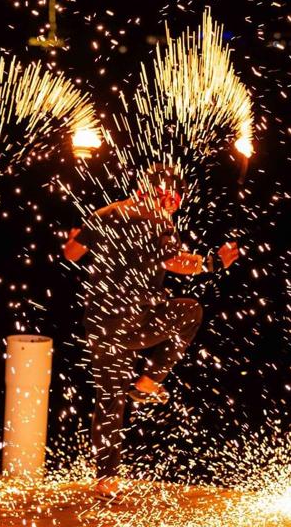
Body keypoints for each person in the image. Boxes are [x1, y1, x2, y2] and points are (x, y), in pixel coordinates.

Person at [64, 164, 240, 483]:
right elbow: (174, 262)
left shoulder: (105, 212)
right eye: (175, 201)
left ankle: (106, 479)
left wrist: (76, 235)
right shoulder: (158, 218)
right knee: (190, 312)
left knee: (109, 398)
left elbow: (72, 253)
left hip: (100, 325)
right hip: (134, 322)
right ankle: (148, 381)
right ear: (167, 196)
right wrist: (213, 263)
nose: (174, 208)